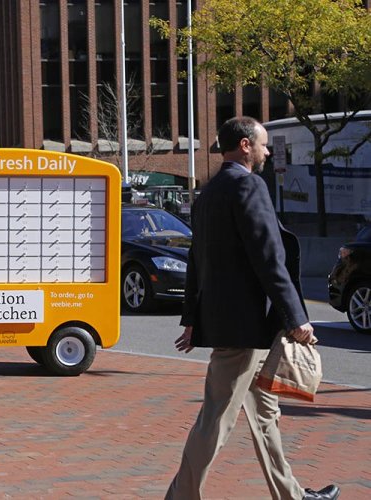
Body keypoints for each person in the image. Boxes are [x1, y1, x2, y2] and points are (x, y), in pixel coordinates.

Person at [165, 117, 339, 500]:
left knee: (265, 416)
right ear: (245, 146)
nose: (267, 151)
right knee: (215, 419)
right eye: (262, 144)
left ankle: (292, 495)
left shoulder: (208, 194)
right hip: (245, 331)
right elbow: (269, 260)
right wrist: (298, 320)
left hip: (239, 328)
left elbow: (198, 260)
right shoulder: (248, 186)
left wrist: (193, 318)